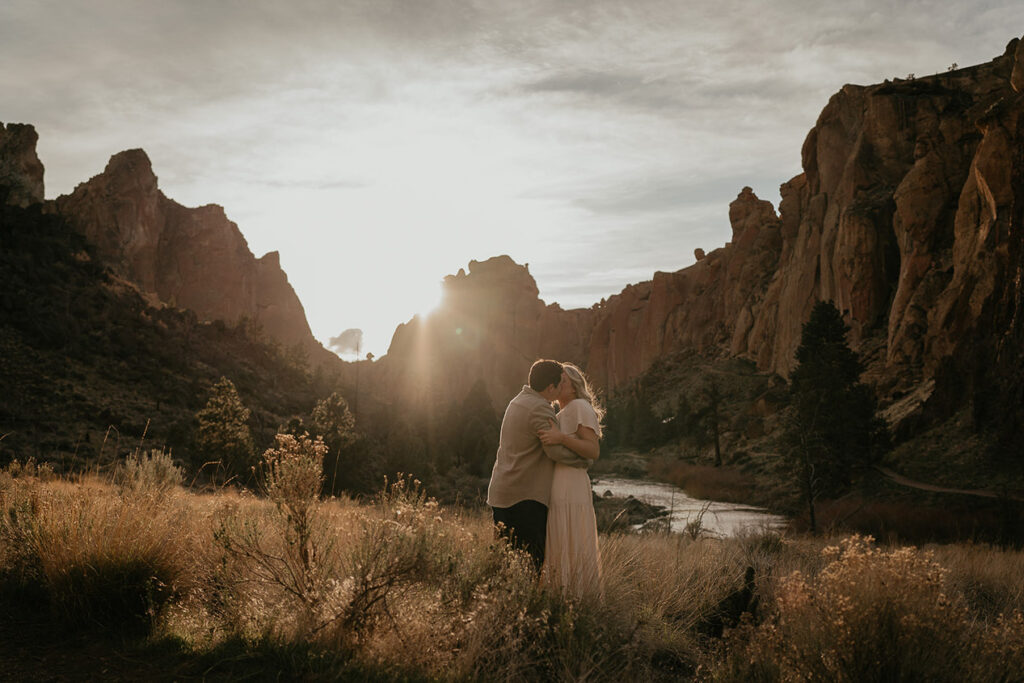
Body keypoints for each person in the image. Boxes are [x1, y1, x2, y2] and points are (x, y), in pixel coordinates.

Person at [486, 359, 590, 571]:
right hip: (524, 497)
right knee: (531, 562)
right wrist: (582, 460)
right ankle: (522, 603)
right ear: (550, 387)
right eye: (560, 383)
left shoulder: (518, 400)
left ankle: (500, 602)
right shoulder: (540, 408)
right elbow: (553, 450)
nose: (562, 387)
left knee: (506, 561)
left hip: (501, 493)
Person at [538, 362, 604, 598]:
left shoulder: (579, 406)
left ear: (575, 387)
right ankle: (562, 597)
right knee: (560, 539)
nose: (557, 385)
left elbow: (592, 450)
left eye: (563, 381)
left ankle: (576, 598)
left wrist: (560, 438)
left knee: (571, 537)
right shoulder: (560, 412)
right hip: (559, 483)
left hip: (571, 484)